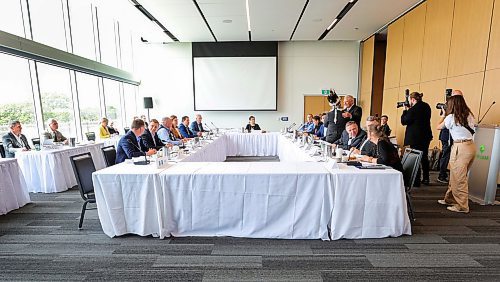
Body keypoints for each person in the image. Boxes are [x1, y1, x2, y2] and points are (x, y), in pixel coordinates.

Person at [436, 94, 476, 213]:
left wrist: (443, 115)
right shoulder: (469, 115)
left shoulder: (451, 118)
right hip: (470, 147)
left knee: (459, 177)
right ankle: (449, 199)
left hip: (460, 148)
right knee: (456, 175)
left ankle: (462, 206)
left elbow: (438, 127)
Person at [401, 91, 432, 186]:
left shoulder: (413, 110)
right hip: (426, 135)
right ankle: (426, 178)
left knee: (416, 157)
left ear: (413, 100)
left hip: (415, 137)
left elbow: (404, 121)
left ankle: (416, 179)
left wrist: (405, 110)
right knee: (424, 157)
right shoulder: (427, 106)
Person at [437, 90, 463, 183]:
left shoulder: (461, 107)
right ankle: (442, 175)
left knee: (454, 156)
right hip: (446, 134)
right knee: (446, 154)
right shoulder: (447, 105)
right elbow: (442, 119)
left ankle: (451, 175)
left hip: (456, 135)